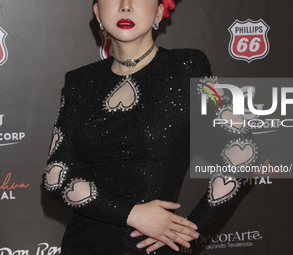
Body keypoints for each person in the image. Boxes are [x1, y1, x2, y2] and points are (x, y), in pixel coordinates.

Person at [44, 0, 259, 254]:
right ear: (97, 12)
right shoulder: (78, 82)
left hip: (151, 248)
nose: (125, 6)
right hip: (81, 244)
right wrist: (131, 214)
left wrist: (189, 230)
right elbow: (54, 180)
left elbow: (244, 152)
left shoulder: (187, 67)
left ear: (159, 11)